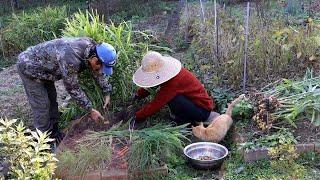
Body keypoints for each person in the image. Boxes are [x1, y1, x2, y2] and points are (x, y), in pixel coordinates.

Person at [17, 37, 117, 144]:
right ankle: (41, 143)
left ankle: (54, 132)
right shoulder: (71, 59)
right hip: (29, 66)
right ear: (94, 58)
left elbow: (98, 71)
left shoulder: (93, 49)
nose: (101, 69)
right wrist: (90, 110)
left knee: (52, 100)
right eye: (101, 66)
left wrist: (107, 93)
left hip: (47, 69)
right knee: (42, 105)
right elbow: (73, 88)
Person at [132, 51, 219, 125]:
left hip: (202, 111)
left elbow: (157, 103)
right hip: (193, 103)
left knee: (173, 99)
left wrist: (137, 117)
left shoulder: (174, 82)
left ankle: (186, 121)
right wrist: (139, 95)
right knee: (172, 98)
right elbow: (151, 84)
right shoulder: (166, 74)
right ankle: (183, 117)